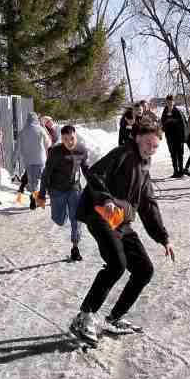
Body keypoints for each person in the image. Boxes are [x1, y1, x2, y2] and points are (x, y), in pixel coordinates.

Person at [69, 122, 175, 345]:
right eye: (147, 143)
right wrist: (106, 199)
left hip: (121, 221)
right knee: (117, 263)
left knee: (144, 269)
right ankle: (84, 316)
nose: (150, 149)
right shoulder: (122, 153)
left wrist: (163, 237)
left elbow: (148, 205)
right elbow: (95, 174)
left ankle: (114, 318)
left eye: (154, 147)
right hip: (100, 213)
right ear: (137, 137)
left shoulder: (145, 166)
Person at [39, 125, 90, 261]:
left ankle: (75, 247)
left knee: (76, 218)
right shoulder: (55, 152)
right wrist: (41, 194)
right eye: (66, 139)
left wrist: (94, 184)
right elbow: (46, 173)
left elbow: (85, 168)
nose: (69, 142)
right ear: (62, 139)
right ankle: (64, 214)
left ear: (76, 136)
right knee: (59, 220)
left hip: (74, 189)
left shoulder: (81, 150)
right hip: (57, 190)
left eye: (72, 138)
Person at [16, 112, 51, 210]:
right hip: (40, 159)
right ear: (36, 119)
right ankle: (35, 198)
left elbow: (17, 147)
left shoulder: (23, 131)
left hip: (28, 160)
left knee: (31, 182)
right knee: (38, 181)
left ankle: (33, 196)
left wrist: (14, 160)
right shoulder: (40, 130)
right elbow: (48, 143)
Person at [161, 95, 187, 178]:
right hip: (169, 137)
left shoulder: (177, 111)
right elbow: (163, 122)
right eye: (168, 101)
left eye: (171, 101)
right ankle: (175, 171)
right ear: (166, 102)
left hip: (178, 136)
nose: (169, 103)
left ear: (173, 102)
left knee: (180, 154)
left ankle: (181, 171)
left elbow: (183, 124)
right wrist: (165, 126)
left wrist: (183, 138)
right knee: (173, 154)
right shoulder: (164, 111)